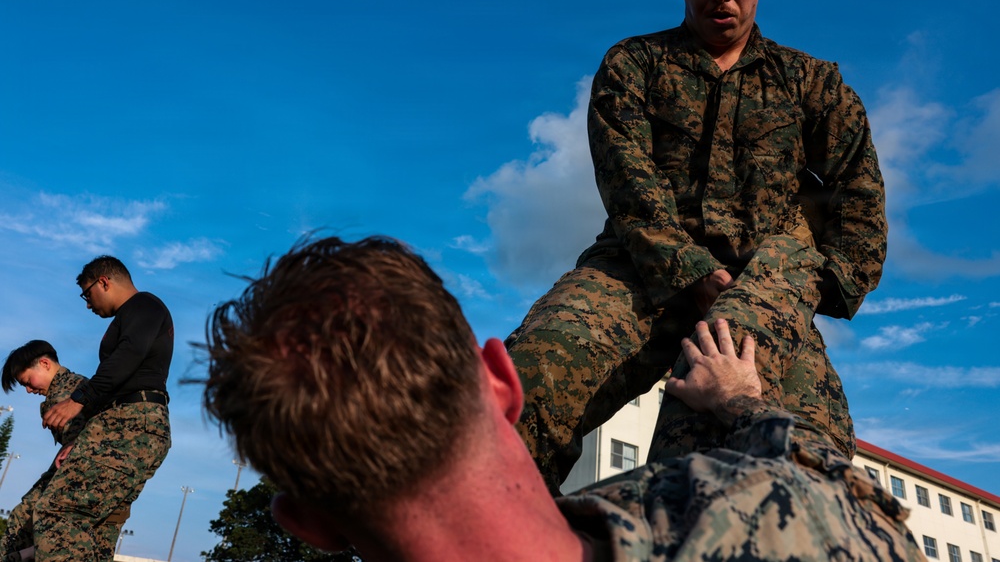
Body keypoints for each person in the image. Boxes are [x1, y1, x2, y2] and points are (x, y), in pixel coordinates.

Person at [200, 235, 921, 562]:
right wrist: (741, 406)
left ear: (306, 523)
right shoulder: (775, 525)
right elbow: (858, 504)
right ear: (502, 381)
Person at [505, 0, 887, 491]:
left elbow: (859, 192)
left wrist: (820, 283)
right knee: (525, 387)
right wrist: (691, 270)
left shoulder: (812, 83)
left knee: (799, 451)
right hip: (639, 270)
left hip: (765, 283)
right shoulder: (635, 65)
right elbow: (628, 184)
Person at [35, 256, 172, 562]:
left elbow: (129, 354)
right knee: (96, 526)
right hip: (125, 425)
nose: (88, 305)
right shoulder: (134, 315)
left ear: (104, 282)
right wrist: (83, 441)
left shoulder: (144, 305)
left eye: (87, 294)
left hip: (133, 424)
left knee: (57, 511)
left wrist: (79, 399)